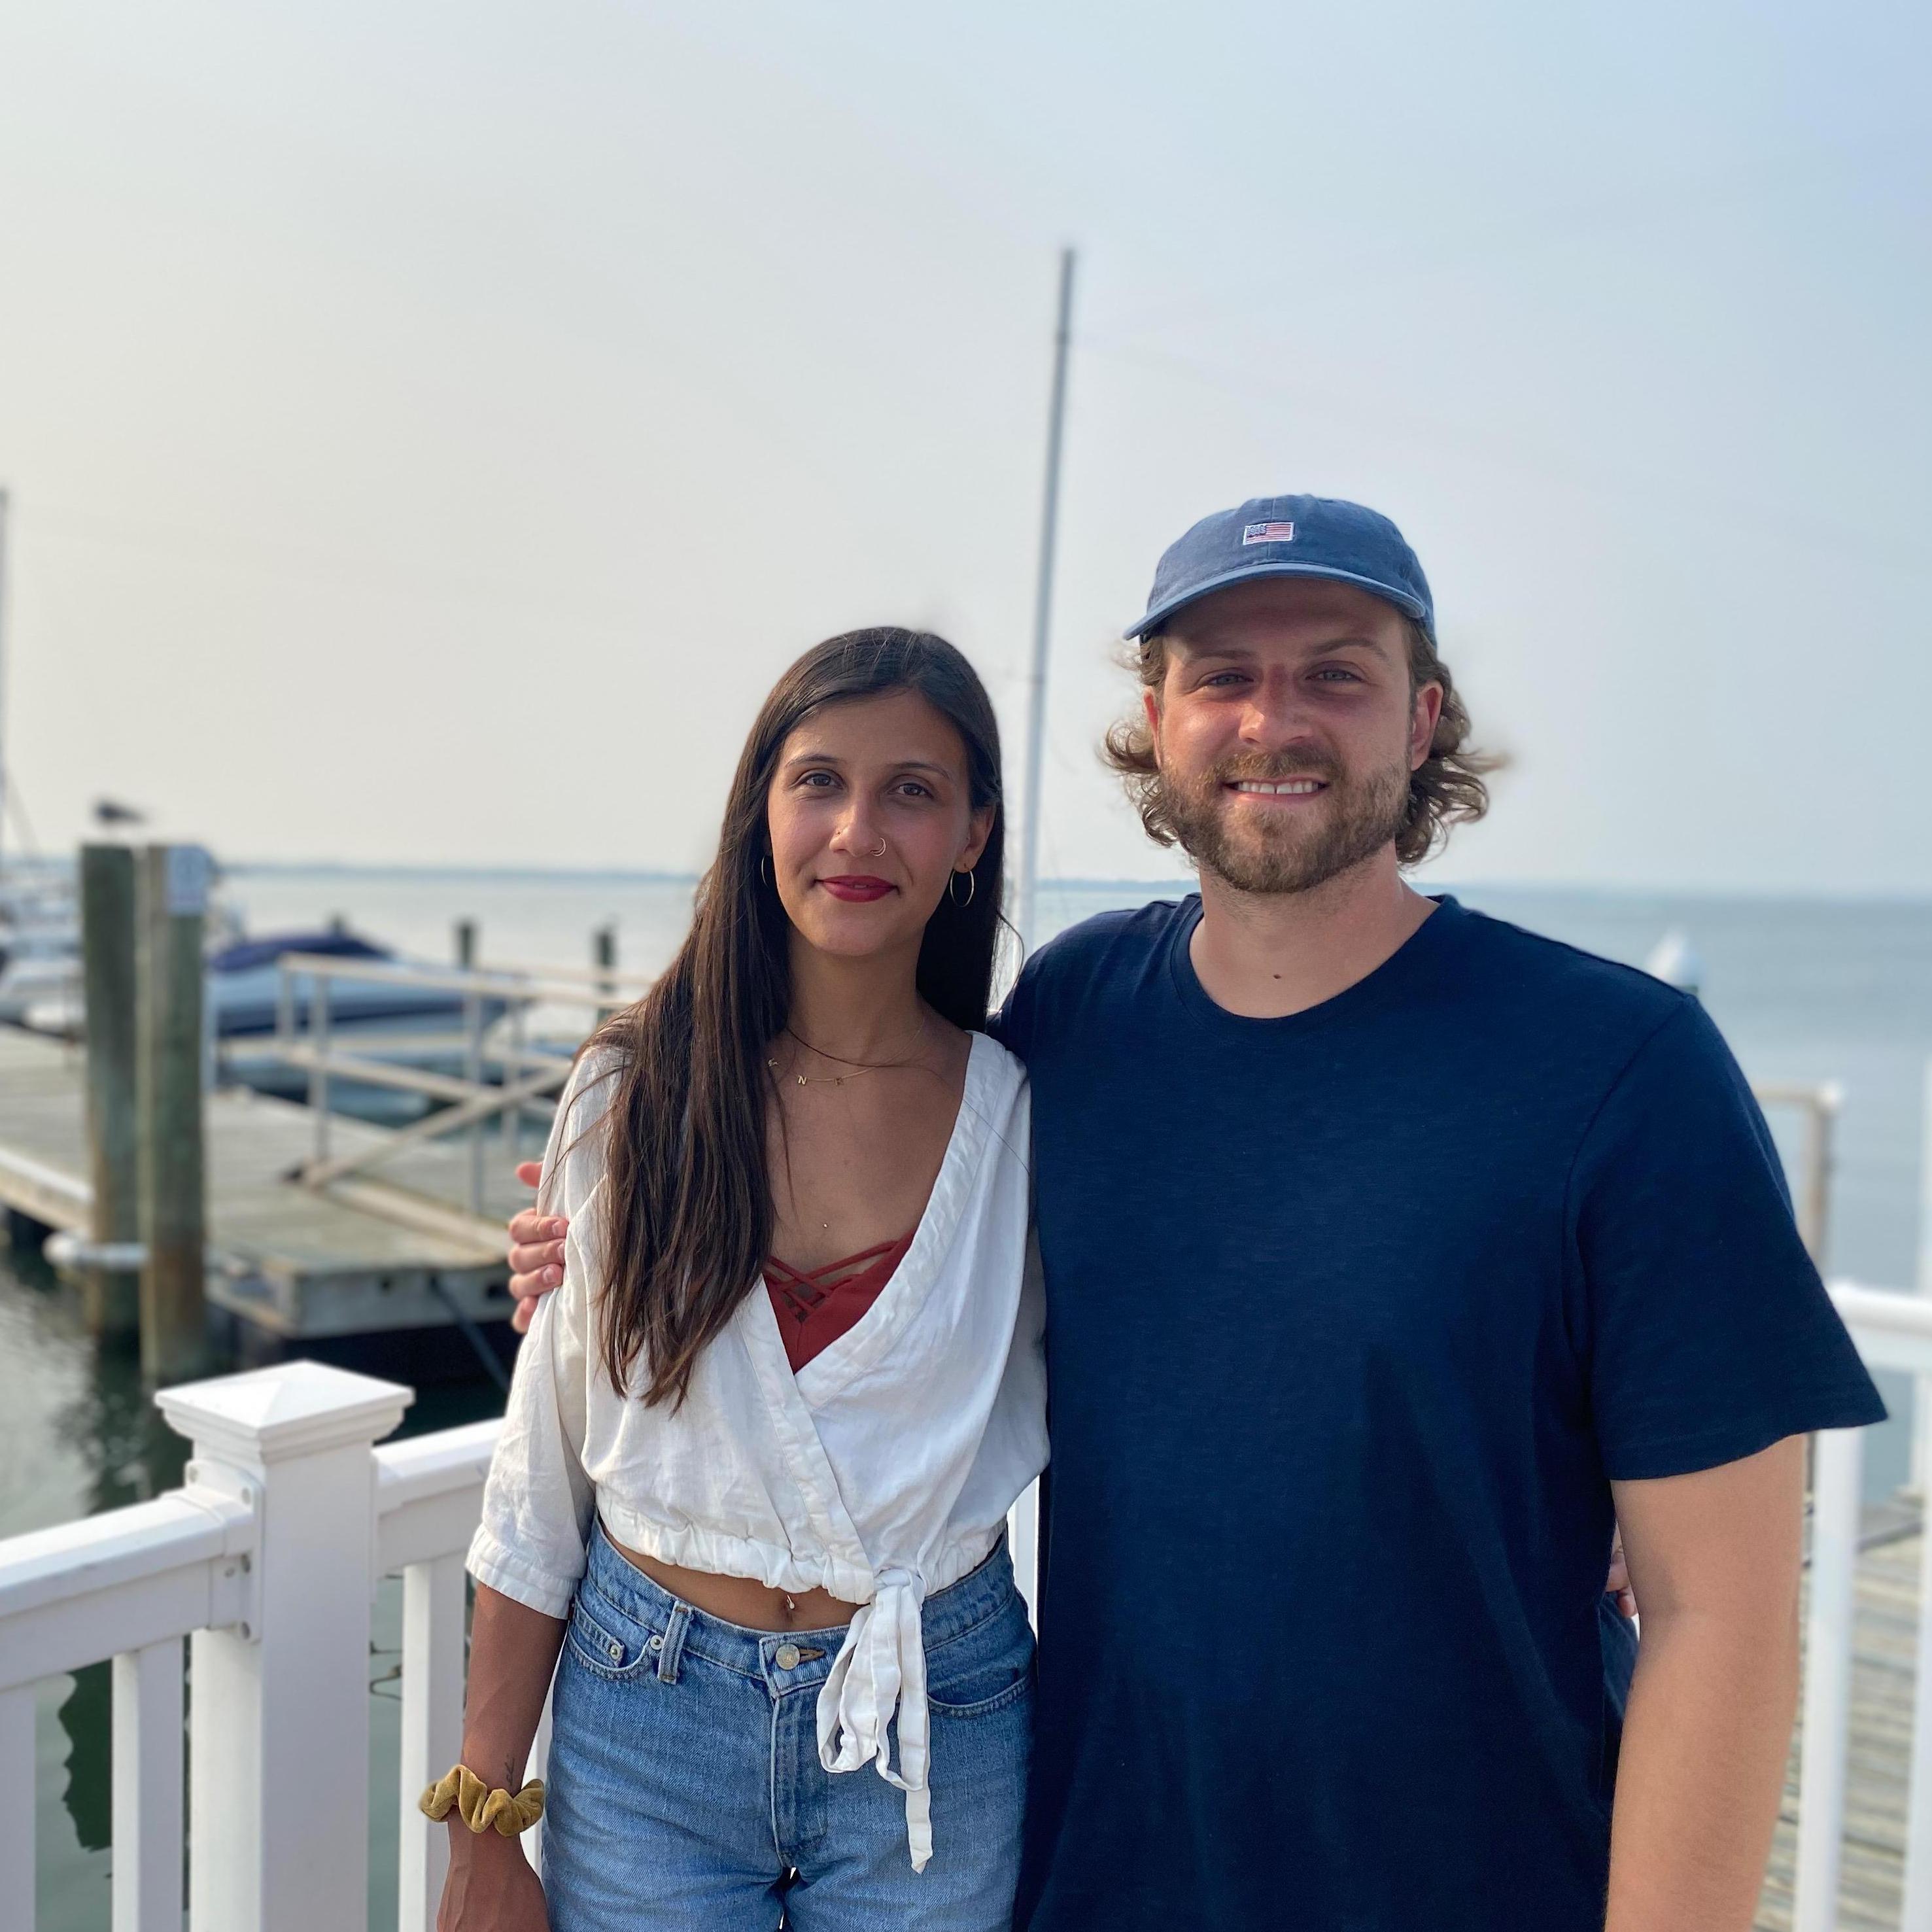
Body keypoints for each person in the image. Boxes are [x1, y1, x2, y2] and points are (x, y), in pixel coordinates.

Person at [509, 495, 1886, 1930]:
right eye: (1221, 675)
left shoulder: (1624, 1071)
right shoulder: (1071, 1019)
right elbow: (863, 1200)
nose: (1271, 720)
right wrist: (589, 1254)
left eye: (1334, 673)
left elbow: (1721, 1616)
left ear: (1420, 722)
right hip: (1100, 1874)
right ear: (1156, 722)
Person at [440, 629, 1048, 1932]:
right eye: (818, 780)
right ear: (760, 809)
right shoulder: (636, 1090)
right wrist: (483, 1817)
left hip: (934, 1715)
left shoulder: (1026, 1124)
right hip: (643, 1710)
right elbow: (541, 1472)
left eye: (912, 790)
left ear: (973, 833)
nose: (856, 829)